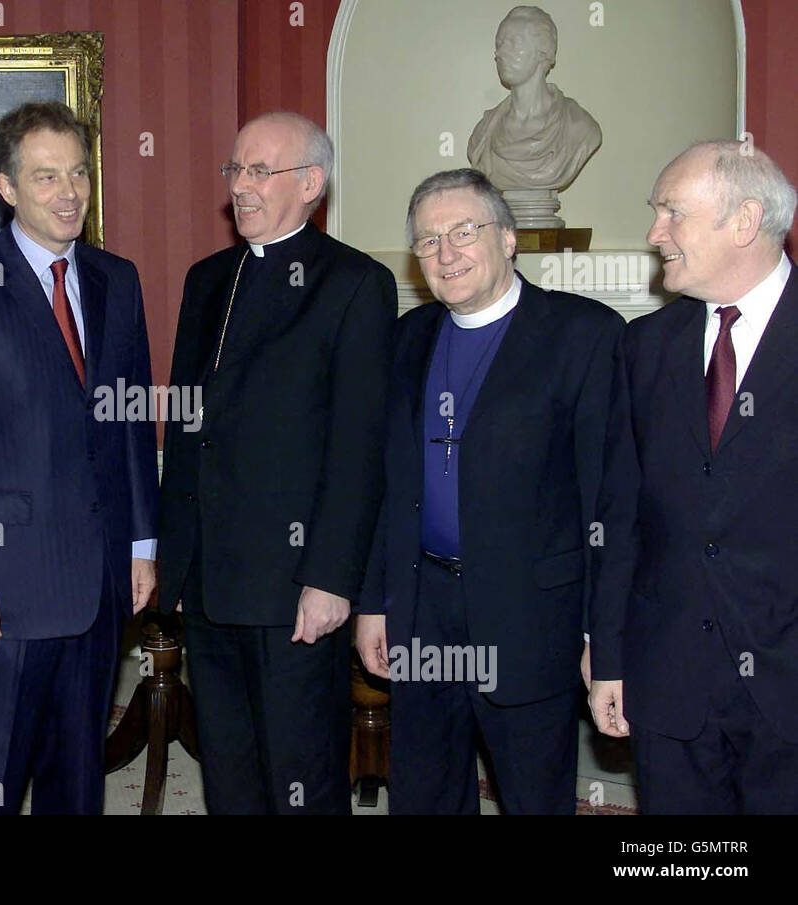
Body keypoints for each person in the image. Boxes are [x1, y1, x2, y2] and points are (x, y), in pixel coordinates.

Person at [0, 101, 159, 815]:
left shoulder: (118, 278)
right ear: (7, 188)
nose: (69, 192)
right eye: (46, 177)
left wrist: (141, 541)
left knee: (77, 780)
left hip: (101, 580)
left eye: (78, 173)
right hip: (2, 587)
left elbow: (130, 417)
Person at [355, 168, 624, 814]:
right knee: (425, 793)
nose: (444, 253)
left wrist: (603, 638)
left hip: (531, 616)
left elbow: (607, 500)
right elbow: (384, 485)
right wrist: (373, 600)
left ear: (507, 239)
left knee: (533, 796)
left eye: (463, 231)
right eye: (427, 241)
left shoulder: (584, 335)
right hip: (423, 609)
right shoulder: (408, 338)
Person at [156, 112, 396, 814]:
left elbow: (360, 450)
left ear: (312, 183)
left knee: (302, 776)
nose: (242, 187)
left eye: (261, 171)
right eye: (236, 170)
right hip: (207, 579)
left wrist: (330, 579)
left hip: (294, 589)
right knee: (229, 775)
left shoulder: (354, 284)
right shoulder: (209, 279)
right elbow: (189, 427)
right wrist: (173, 560)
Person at [589, 140, 798, 813]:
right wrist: (608, 652)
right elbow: (620, 515)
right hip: (669, 683)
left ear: (743, 221)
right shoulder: (646, 346)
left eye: (672, 213)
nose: (654, 234)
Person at [467, 5, 601, 192]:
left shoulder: (579, 127)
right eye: (500, 44)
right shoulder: (484, 134)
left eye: (514, 43)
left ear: (543, 51)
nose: (501, 53)